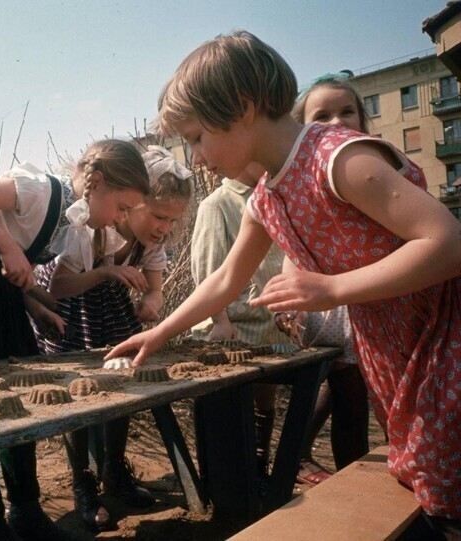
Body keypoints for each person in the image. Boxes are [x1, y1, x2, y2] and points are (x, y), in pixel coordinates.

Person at [106, 31, 461, 538]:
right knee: (428, 480)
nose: (197, 156)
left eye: (198, 137)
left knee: (443, 481)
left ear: (244, 108)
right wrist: (159, 332)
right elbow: (227, 279)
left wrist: (331, 290)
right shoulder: (267, 196)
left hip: (444, 340)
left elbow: (448, 242)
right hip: (392, 347)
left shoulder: (335, 157)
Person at [0, 138, 150, 541]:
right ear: (96, 181)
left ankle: (25, 508)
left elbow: (15, 268)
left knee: (20, 394)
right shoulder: (40, 190)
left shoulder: (73, 227)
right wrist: (7, 249)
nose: (118, 218)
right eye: (122, 207)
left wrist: (36, 307)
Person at [32, 145, 190, 531]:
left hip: (115, 314)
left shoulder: (150, 244)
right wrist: (105, 274)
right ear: (133, 201)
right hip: (72, 312)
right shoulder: (87, 228)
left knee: (124, 386)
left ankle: (114, 471)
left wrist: (151, 304)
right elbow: (57, 288)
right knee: (78, 395)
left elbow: (156, 290)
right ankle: (83, 481)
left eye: (172, 220)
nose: (163, 228)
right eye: (157, 216)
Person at [281, 73, 372, 484]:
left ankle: (296, 455)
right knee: (349, 396)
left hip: (372, 298)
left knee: (341, 391)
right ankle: (350, 479)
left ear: (363, 121)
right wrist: (292, 301)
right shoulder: (309, 179)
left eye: (346, 111)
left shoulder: (369, 167)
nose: (336, 122)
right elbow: (292, 247)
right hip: (333, 306)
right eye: (323, 115)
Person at [189, 162, 290, 481]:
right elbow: (208, 269)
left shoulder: (273, 195)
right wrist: (219, 318)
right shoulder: (218, 203)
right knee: (232, 412)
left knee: (265, 402)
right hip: (233, 329)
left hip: (269, 325)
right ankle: (230, 479)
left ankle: (258, 468)